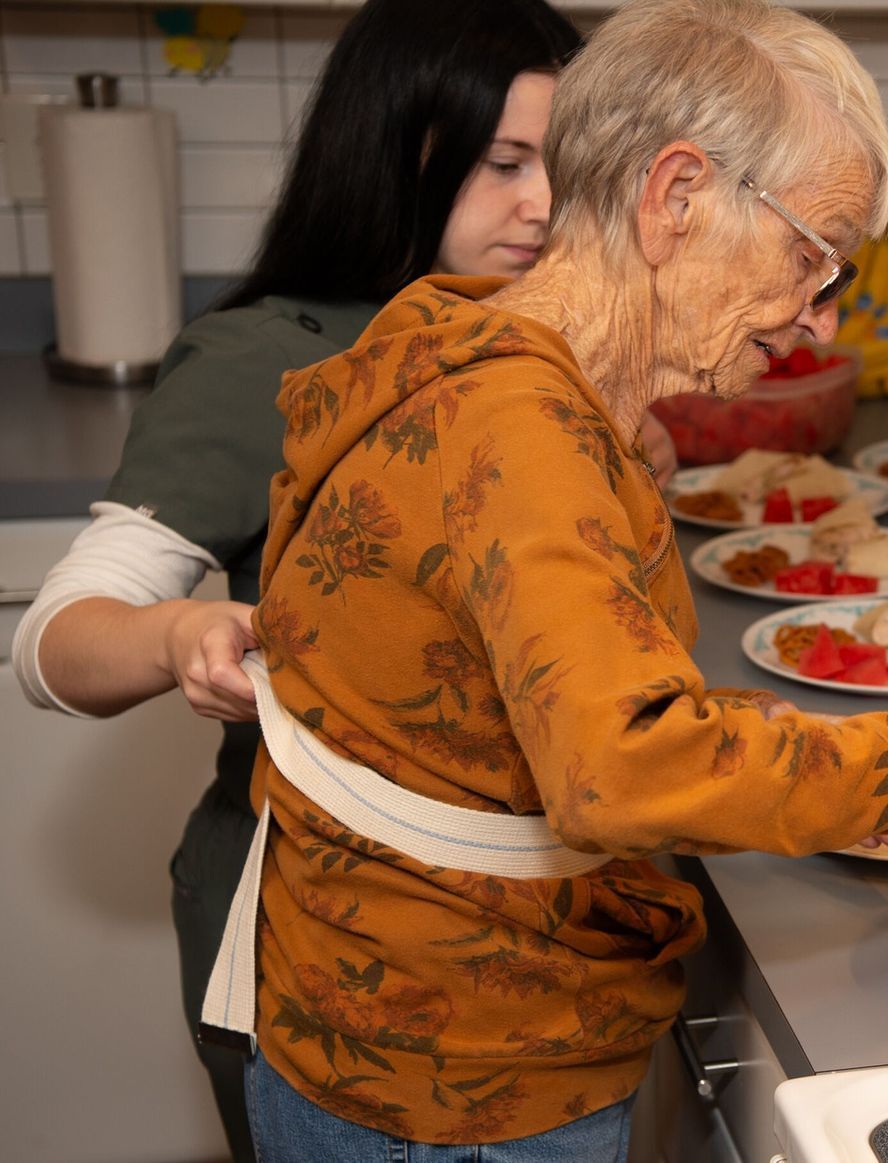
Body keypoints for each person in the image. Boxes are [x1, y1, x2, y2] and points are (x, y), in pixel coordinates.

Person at [222, 1, 888, 1157]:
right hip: (459, 1082)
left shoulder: (460, 329)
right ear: (674, 197)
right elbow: (620, 768)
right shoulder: (523, 430)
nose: (821, 317)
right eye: (812, 255)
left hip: (381, 1013)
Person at [8, 2, 614, 1156]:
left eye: (566, 164)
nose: (543, 203)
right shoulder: (270, 360)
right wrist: (181, 627)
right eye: (504, 164)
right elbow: (54, 639)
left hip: (523, 970)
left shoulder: (544, 340)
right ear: (398, 150)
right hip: (311, 963)